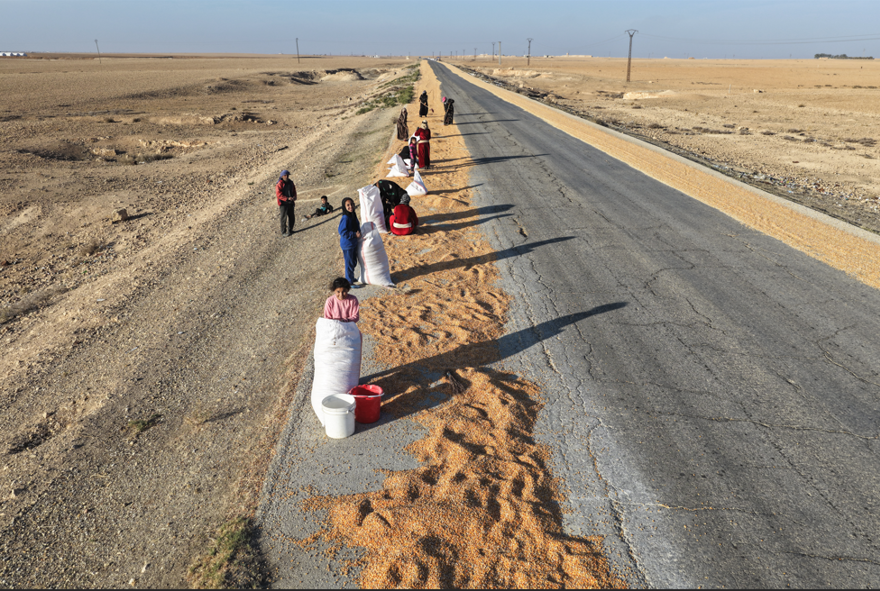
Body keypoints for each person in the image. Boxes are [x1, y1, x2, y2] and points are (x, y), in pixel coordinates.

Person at [338, 197, 362, 286]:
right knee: (349, 263)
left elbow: (356, 227)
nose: (350, 206)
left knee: (353, 262)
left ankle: (351, 278)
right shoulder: (345, 217)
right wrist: (354, 235)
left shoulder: (353, 215)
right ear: (344, 207)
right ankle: (348, 282)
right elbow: (342, 231)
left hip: (353, 243)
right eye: (348, 205)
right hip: (347, 244)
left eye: (352, 204)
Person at [276, 169, 297, 236]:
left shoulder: (291, 182)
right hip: (283, 203)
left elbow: (294, 190)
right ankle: (283, 232)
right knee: (283, 218)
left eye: (287, 175)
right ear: (282, 176)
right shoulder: (279, 184)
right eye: (285, 175)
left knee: (292, 217)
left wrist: (294, 197)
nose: (286, 176)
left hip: (290, 202)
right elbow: (278, 194)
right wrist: (286, 198)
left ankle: (290, 230)